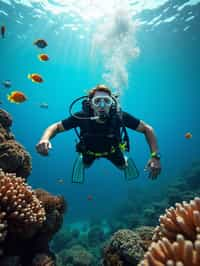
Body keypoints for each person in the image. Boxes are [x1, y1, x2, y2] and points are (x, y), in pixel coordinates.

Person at [36, 84, 161, 183]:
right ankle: (82, 161)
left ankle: (125, 160)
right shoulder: (81, 117)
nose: (102, 105)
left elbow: (147, 129)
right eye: (97, 101)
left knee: (123, 167)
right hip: (88, 152)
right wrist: (45, 139)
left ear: (112, 103)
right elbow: (56, 127)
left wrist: (155, 156)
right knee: (85, 165)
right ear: (91, 104)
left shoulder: (119, 116)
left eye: (106, 101)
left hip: (113, 151)